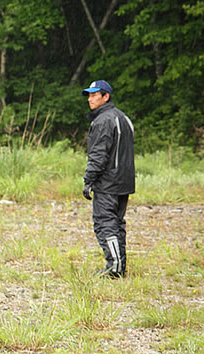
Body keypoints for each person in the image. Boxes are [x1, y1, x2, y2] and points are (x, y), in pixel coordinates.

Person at [81, 80, 135, 278]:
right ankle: (119, 266)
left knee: (105, 224)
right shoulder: (124, 118)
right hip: (125, 182)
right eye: (89, 95)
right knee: (117, 224)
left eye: (94, 95)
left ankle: (114, 268)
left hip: (108, 183)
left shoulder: (103, 121)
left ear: (106, 96)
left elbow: (98, 154)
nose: (90, 99)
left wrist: (89, 180)